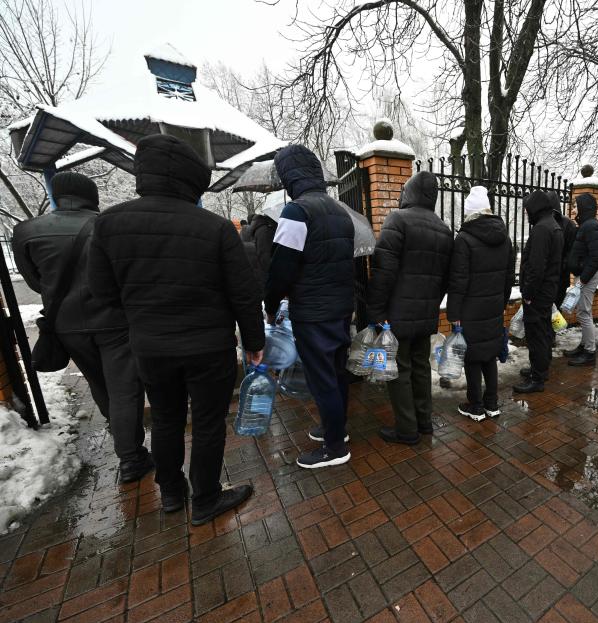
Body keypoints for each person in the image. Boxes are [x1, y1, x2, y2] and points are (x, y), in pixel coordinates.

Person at [87, 134, 264, 524]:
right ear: (191, 179)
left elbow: (102, 293)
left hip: (151, 347)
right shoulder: (216, 229)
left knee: (166, 418)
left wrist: (142, 314)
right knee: (207, 422)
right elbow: (244, 294)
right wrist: (254, 342)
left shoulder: (109, 224)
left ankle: (170, 492)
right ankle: (205, 498)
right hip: (208, 346)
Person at [13, 172, 150, 484]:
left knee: (98, 383)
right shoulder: (111, 226)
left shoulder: (26, 232)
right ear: (93, 196)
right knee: (125, 388)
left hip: (67, 325)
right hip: (115, 321)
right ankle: (131, 458)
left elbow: (36, 282)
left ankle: (122, 439)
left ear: (54, 195)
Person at [264, 145, 355, 468]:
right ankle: (337, 430)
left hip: (314, 311)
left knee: (322, 378)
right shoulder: (340, 211)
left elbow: (281, 268)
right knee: (337, 372)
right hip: (341, 307)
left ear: (289, 176)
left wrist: (271, 304)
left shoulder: (296, 212)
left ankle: (334, 447)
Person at [368, 171, 454, 444]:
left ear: (410, 192)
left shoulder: (398, 220)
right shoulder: (443, 229)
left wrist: (377, 311)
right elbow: (445, 278)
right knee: (420, 367)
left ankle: (407, 429)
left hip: (397, 315)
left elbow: (383, 272)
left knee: (399, 370)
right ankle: (424, 421)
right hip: (425, 314)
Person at [446, 187, 514, 421]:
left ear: (469, 213)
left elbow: (458, 280)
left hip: (470, 309)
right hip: (494, 307)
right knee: (489, 355)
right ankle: (492, 404)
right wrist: (502, 302)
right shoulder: (505, 238)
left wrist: (453, 312)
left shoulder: (464, 240)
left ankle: (475, 406)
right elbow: (508, 277)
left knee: (472, 357)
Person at [514, 190, 563, 393]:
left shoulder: (542, 229)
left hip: (538, 294)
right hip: (547, 290)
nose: (526, 214)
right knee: (543, 332)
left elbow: (536, 267)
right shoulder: (553, 225)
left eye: (527, 210)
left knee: (536, 334)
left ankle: (538, 378)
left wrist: (528, 294)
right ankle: (540, 368)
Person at [563, 193, 598, 366]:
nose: (573, 210)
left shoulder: (591, 227)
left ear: (584, 207)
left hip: (587, 277)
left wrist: (583, 280)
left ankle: (590, 352)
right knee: (582, 311)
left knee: (584, 312)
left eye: (575, 206)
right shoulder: (586, 225)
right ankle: (584, 345)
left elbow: (596, 257)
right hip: (584, 275)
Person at [551, 192, 578, 316]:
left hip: (561, 275)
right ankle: (548, 333)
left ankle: (552, 333)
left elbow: (572, 251)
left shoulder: (568, 224)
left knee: (556, 307)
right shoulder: (545, 222)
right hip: (549, 275)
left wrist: (563, 266)